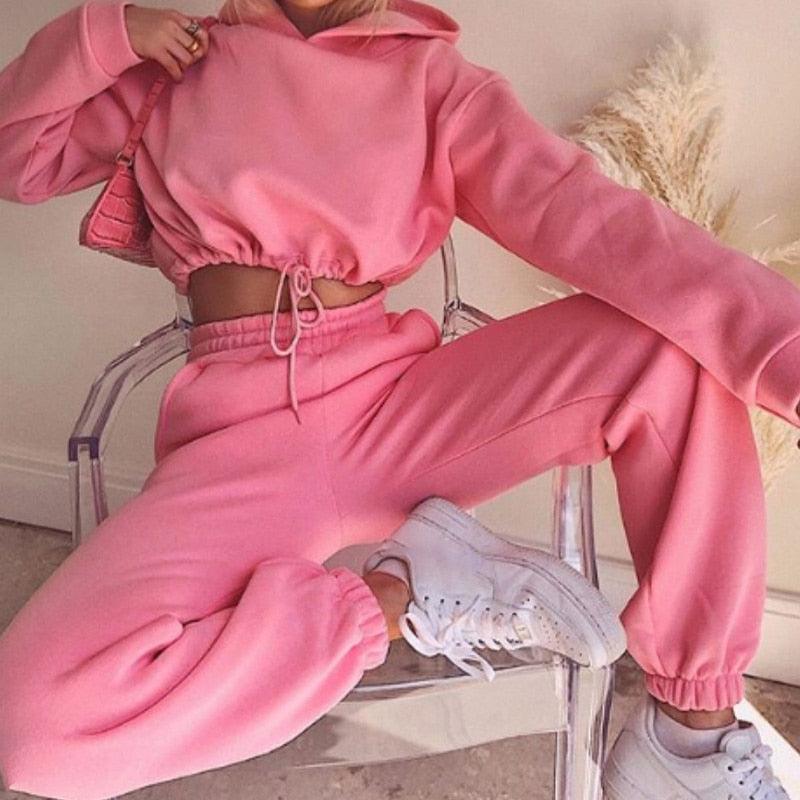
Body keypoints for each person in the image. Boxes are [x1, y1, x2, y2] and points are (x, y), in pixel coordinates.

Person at [0, 0, 795, 797]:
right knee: (33, 730)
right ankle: (403, 592)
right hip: (237, 451)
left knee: (670, 352)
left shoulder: (433, 83)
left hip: (399, 413)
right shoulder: (180, 60)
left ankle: (690, 740)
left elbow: (604, 228)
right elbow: (16, 157)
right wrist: (103, 34)